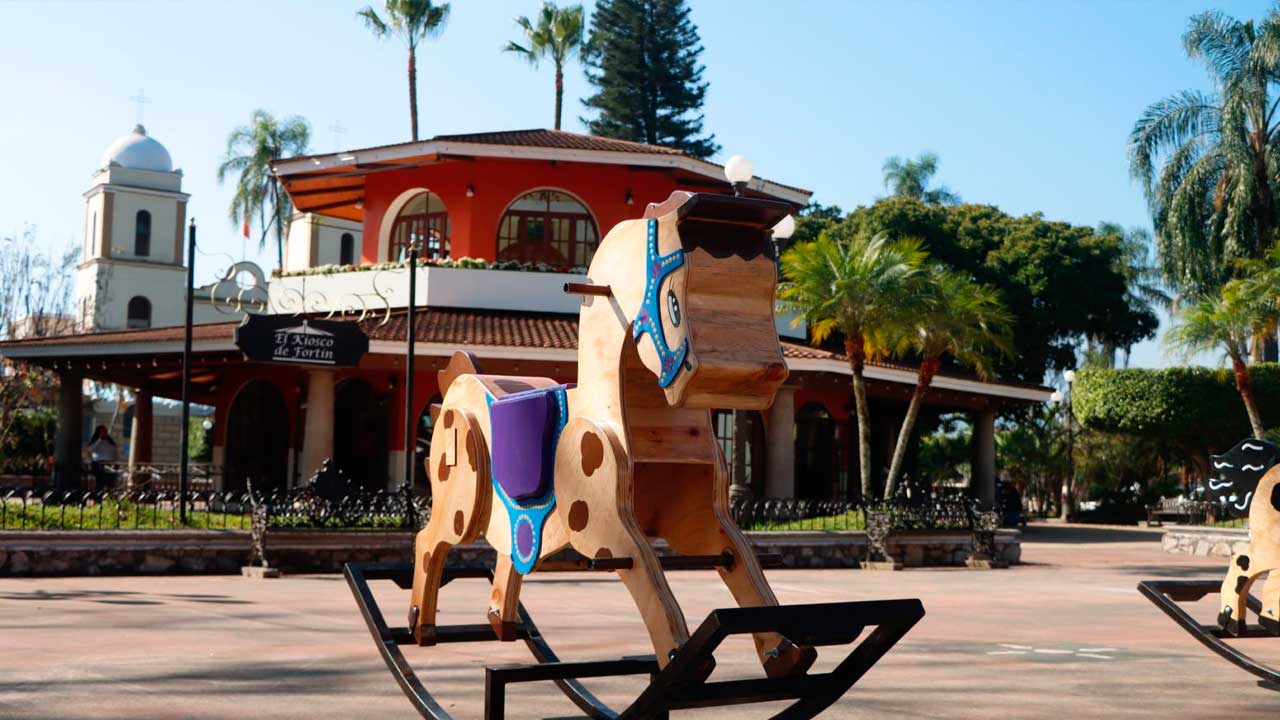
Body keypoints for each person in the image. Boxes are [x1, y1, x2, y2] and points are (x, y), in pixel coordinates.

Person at [87, 425, 118, 490]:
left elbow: (114, 451)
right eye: (101, 432)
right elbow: (91, 450)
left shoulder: (110, 441)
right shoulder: (95, 441)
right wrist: (100, 440)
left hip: (110, 463)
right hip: (99, 464)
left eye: (105, 431)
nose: (103, 433)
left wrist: (115, 462)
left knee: (110, 483)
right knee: (100, 483)